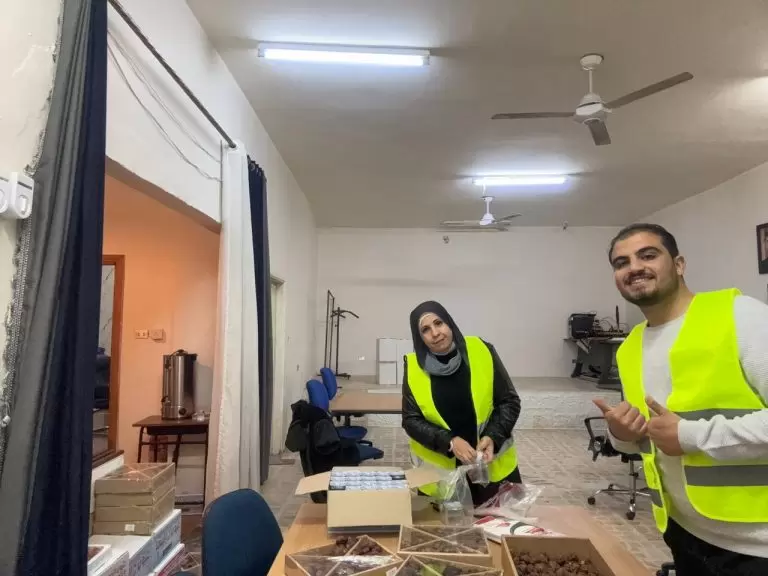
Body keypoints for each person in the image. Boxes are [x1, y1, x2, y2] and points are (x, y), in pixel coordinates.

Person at [594, 223, 768, 576]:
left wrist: (690, 436)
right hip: (684, 534)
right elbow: (649, 438)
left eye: (648, 255)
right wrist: (622, 435)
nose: (634, 268)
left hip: (757, 545)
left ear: (679, 264)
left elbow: (680, 435)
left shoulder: (739, 315)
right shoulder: (630, 348)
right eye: (621, 263)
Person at [401, 300, 522, 506]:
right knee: (446, 526)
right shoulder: (414, 367)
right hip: (442, 480)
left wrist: (493, 436)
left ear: (449, 323)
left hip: (491, 470)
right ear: (419, 337)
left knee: (498, 523)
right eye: (425, 330)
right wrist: (450, 442)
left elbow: (509, 401)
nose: (435, 333)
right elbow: (411, 420)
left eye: (438, 323)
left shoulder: (481, 350)